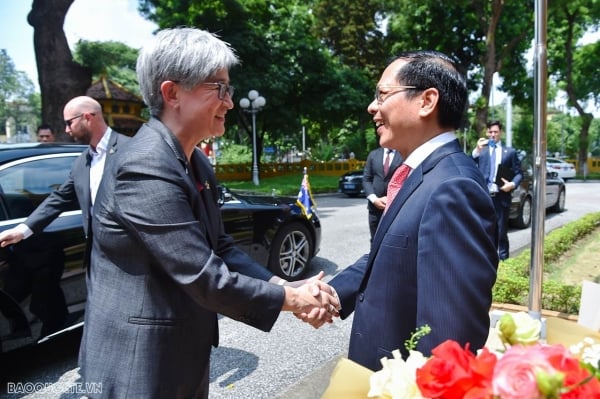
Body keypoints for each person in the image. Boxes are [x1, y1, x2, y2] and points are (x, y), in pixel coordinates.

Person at [79, 27, 339, 398]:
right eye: (219, 87)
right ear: (172, 93)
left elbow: (219, 245)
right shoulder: (145, 166)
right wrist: (296, 301)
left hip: (182, 354)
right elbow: (205, 276)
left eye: (229, 89)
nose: (230, 102)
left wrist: (282, 285)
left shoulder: (194, 158)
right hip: (138, 363)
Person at [299, 50, 498, 372]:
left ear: (426, 101)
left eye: (382, 94)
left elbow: (449, 337)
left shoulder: (452, 187)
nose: (372, 107)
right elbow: (390, 253)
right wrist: (336, 291)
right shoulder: (422, 174)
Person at [0, 96, 131, 337]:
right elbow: (58, 199)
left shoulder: (131, 150)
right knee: (107, 324)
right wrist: (22, 230)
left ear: (88, 118)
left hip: (132, 257)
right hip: (96, 258)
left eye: (69, 123)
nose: (67, 130)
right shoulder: (82, 162)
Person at [472, 120, 522, 260]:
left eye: (496, 132)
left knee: (501, 232)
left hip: (501, 197)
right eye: (491, 132)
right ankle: (485, 259)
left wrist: (512, 184)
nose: (493, 134)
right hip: (484, 197)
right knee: (482, 230)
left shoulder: (509, 152)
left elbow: (519, 173)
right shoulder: (482, 150)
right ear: (487, 132)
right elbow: (470, 164)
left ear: (501, 133)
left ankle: (503, 259)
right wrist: (477, 150)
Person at [362, 134, 402, 242]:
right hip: (374, 208)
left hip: (395, 206)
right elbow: (366, 179)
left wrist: (391, 199)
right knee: (375, 240)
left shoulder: (403, 154)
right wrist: (374, 199)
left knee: (392, 240)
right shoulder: (373, 155)